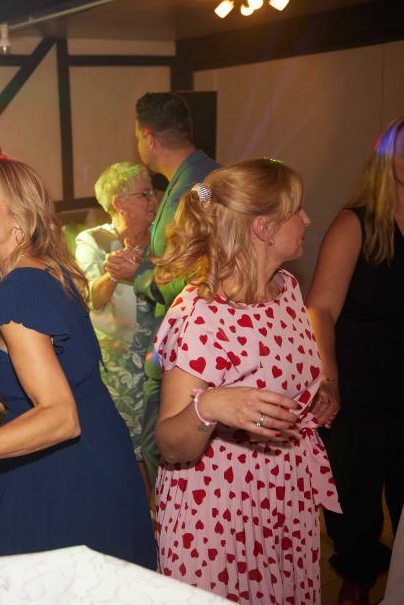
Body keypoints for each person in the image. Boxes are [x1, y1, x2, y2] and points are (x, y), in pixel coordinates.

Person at [0, 154, 155, 567]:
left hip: (60, 470)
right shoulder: (50, 272)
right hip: (101, 453)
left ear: (20, 219)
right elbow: (41, 380)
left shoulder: (18, 293)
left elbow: (59, 415)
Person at [152, 158, 340, 604]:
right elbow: (171, 444)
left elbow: (282, 369)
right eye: (297, 210)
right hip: (220, 509)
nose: (307, 219)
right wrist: (210, 406)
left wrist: (318, 391)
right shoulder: (200, 316)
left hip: (283, 494)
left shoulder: (287, 289)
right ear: (264, 227)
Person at [305, 115, 404, 605]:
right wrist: (329, 378)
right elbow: (320, 309)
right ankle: (357, 580)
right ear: (388, 160)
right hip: (359, 387)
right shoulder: (356, 223)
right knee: (355, 499)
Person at [131, 92, 221, 485]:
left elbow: (201, 274)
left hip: (190, 345)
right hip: (178, 341)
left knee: (165, 451)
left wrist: (138, 275)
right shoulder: (186, 179)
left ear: (148, 138)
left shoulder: (203, 187)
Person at [74, 161, 157, 493]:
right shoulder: (93, 239)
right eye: (144, 194)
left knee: (156, 446)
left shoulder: (165, 239)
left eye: (152, 192)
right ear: (119, 202)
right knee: (120, 449)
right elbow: (91, 298)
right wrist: (113, 273)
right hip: (116, 364)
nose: (154, 200)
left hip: (159, 358)